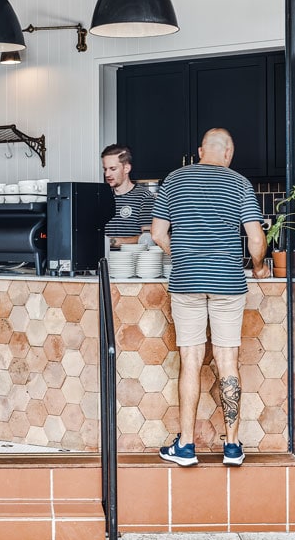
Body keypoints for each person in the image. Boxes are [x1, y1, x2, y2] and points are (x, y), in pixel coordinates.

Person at [150, 128, 270, 467]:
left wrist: (182, 257)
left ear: (201, 151)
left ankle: (186, 446)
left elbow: (157, 233)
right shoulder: (240, 183)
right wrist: (259, 267)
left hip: (186, 282)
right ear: (228, 153)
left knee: (190, 360)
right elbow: (256, 239)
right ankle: (232, 447)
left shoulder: (174, 179)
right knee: (228, 360)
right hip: (227, 283)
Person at [101, 144, 155, 247]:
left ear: (126, 168)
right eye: (105, 169)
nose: (107, 174)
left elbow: (148, 237)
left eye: (113, 169)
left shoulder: (144, 197)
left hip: (133, 257)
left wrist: (115, 241)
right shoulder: (101, 197)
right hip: (104, 257)